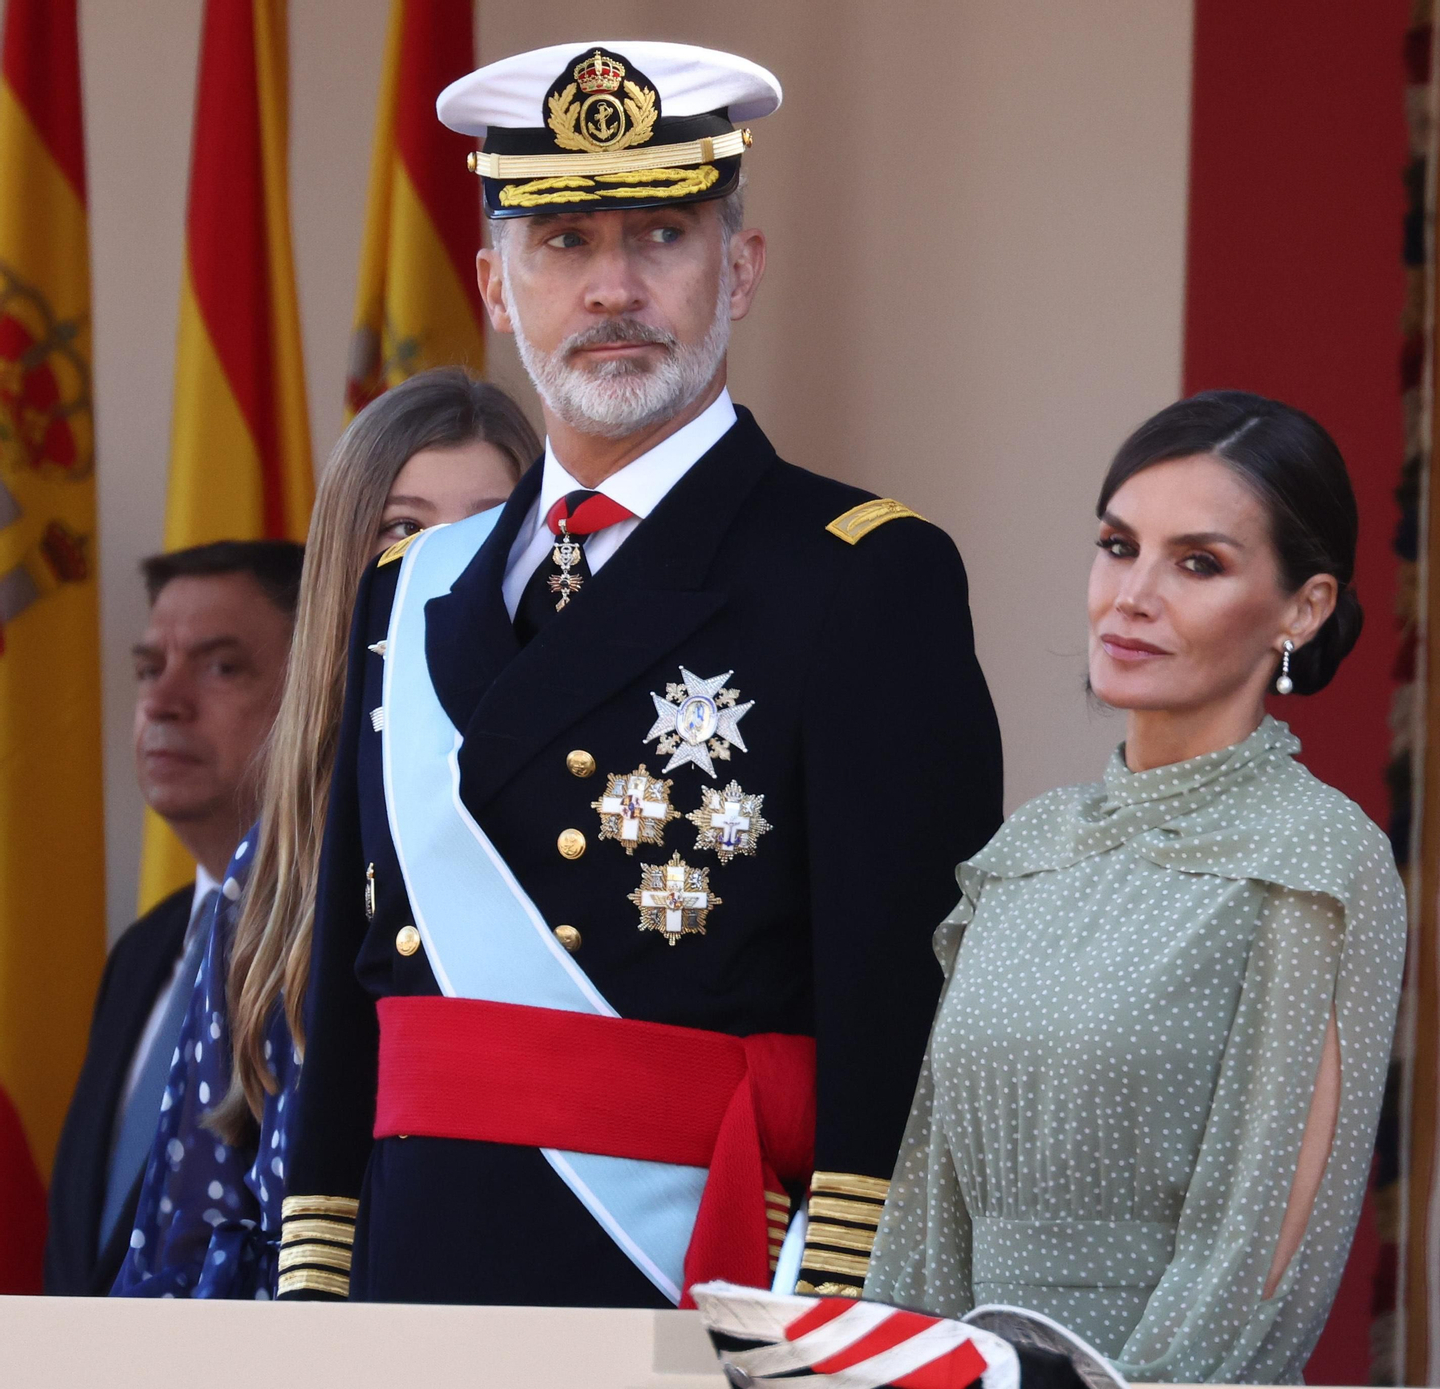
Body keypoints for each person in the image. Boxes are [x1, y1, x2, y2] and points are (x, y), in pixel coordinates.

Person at [280, 41, 1002, 1307]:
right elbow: (355, 1000)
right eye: (562, 246)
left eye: (660, 236)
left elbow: (901, 998)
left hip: (696, 1276)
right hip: (415, 1271)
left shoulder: (860, 579)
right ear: (495, 285)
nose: (612, 288)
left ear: (742, 266)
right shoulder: (411, 584)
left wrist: (833, 1301)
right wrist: (319, 1272)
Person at [863, 390, 1407, 1385]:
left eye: (1198, 563)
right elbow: (926, 1217)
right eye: (1119, 546)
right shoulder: (1030, 847)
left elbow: (1263, 1255)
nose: (1133, 595)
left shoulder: (1315, 856)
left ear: (1304, 607)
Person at [110, 370, 538, 1298]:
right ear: (347, 557)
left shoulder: (590, 828)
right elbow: (191, 1231)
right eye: (402, 527)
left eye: (490, 520)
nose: (447, 558)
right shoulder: (269, 865)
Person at [44, 541, 302, 1295]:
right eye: (149, 669)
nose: (164, 701)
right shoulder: (142, 952)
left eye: (221, 666)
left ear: (317, 684)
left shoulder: (343, 943)